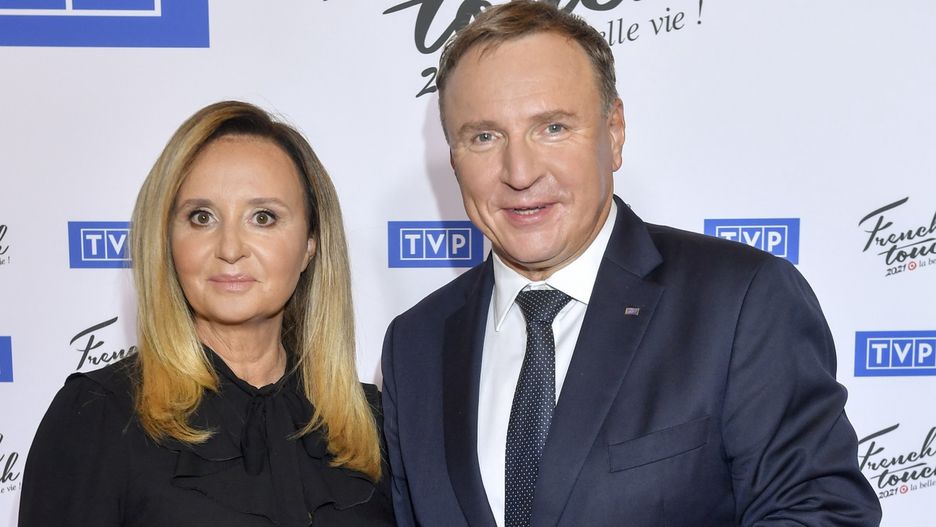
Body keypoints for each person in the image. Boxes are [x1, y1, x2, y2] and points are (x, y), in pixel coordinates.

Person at [380, 2, 881, 526]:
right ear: (453, 155)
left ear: (614, 132)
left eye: (552, 128)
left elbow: (821, 514)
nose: (520, 173)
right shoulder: (415, 344)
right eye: (484, 136)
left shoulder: (740, 302)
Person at [19, 101, 394, 526]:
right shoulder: (98, 417)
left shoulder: (374, 424)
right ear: (166, 239)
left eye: (263, 217)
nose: (230, 248)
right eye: (201, 217)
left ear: (311, 243)